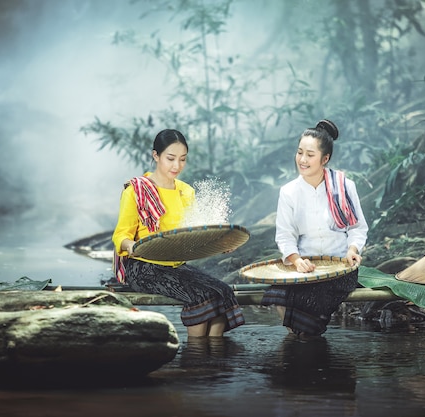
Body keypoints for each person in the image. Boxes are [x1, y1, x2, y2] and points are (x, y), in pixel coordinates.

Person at [112, 128, 245, 338]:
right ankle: (196, 356)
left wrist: (220, 245)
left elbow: (191, 236)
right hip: (144, 268)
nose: (177, 166)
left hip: (175, 265)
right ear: (155, 156)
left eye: (182, 159)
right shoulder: (136, 190)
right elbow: (121, 236)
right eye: (170, 158)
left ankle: (214, 359)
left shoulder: (186, 191)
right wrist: (133, 246)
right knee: (201, 296)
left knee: (223, 292)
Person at [261, 119, 368, 338]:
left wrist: (353, 249)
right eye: (300, 152)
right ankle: (298, 342)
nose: (302, 159)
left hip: (340, 267)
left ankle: (303, 344)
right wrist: (297, 260)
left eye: (310, 155)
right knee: (278, 293)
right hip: (304, 266)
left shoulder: (344, 186)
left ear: (325, 158)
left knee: (312, 300)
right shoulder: (289, 192)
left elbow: (357, 228)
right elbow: (285, 235)